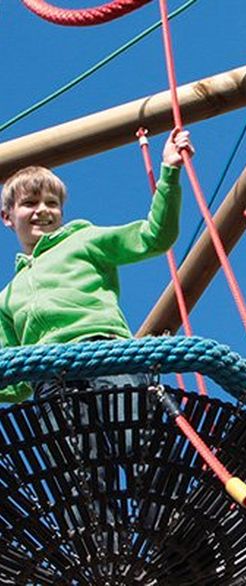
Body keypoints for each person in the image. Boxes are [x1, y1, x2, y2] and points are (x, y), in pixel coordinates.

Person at [0, 129, 194, 401]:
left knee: (127, 434)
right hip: (48, 375)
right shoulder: (7, 298)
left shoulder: (83, 240)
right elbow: (14, 382)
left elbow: (155, 236)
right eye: (30, 203)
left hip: (103, 351)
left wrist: (170, 172)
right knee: (69, 444)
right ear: (7, 217)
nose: (42, 210)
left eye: (51, 204)